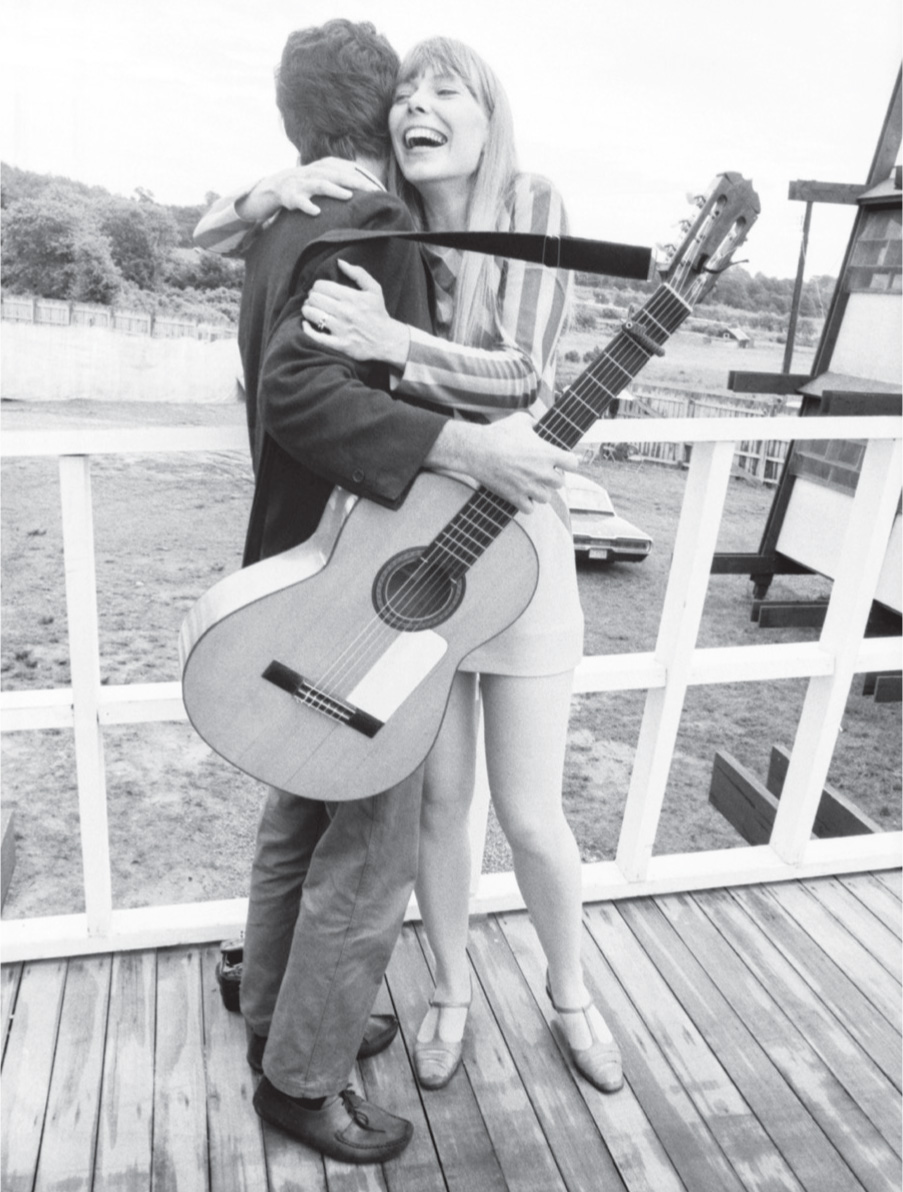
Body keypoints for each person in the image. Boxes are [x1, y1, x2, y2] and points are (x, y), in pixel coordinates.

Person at [198, 33, 622, 1100]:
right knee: (424, 807)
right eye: (407, 91)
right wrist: (259, 189)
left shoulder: (524, 202)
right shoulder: (376, 211)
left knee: (527, 813)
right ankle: (441, 994)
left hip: (507, 545)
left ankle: (571, 992)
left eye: (449, 89)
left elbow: (522, 372)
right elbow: (229, 255)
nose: (420, 106)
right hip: (404, 559)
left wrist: (398, 343)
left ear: (490, 112)